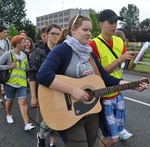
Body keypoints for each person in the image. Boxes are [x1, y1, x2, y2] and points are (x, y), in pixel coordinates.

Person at [36, 14, 148, 147]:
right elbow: (43, 75)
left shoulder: (89, 53)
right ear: (73, 30)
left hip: (91, 111)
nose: (89, 33)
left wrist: (131, 85)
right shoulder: (62, 50)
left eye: (90, 30)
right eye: (85, 30)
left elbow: (105, 78)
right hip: (69, 111)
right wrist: (73, 91)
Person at [88, 9, 140, 146]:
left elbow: (126, 68)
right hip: (104, 95)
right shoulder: (93, 44)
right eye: (111, 22)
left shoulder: (119, 41)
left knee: (113, 135)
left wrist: (135, 60)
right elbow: (98, 74)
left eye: (116, 22)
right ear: (100, 24)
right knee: (112, 138)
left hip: (119, 92)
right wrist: (119, 59)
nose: (114, 25)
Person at [27, 24, 61, 147]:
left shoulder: (62, 50)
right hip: (43, 90)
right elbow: (32, 74)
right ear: (46, 35)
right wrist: (33, 96)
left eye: (58, 34)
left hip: (60, 90)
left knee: (57, 116)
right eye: (53, 33)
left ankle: (51, 142)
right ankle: (41, 136)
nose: (55, 36)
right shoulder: (38, 51)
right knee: (49, 117)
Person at [0, 35, 35, 131]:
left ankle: (27, 124)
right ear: (17, 44)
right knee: (10, 100)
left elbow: (26, 68)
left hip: (22, 83)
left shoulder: (25, 55)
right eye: (23, 42)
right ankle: (8, 114)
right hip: (10, 83)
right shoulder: (8, 54)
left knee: (23, 102)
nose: (25, 44)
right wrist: (8, 67)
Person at [0, 25, 11, 108]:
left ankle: (7, 95)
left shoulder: (7, 41)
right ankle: (0, 100)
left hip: (6, 64)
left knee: (6, 80)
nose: (6, 34)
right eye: (4, 32)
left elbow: (10, 51)